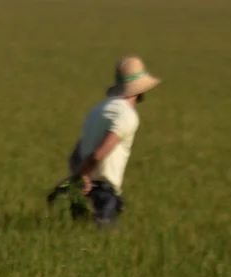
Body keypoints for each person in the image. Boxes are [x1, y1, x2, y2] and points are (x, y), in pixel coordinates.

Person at [63, 56, 161, 227]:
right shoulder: (126, 116)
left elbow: (74, 156)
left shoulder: (98, 109)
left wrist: (79, 179)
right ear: (140, 90)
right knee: (102, 240)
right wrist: (84, 174)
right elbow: (99, 153)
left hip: (81, 191)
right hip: (103, 194)